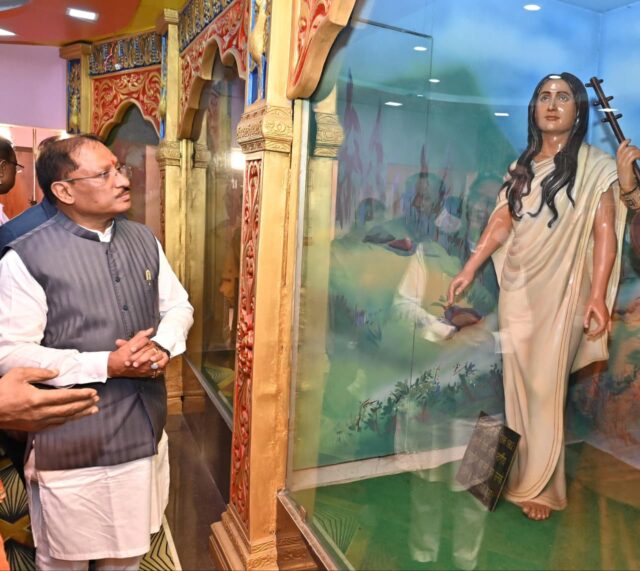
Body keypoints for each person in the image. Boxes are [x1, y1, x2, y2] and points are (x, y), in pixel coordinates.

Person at [447, 72, 640, 521]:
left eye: (563, 97)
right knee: (516, 386)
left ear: (579, 111)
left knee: (545, 386)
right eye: (544, 97)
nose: (552, 105)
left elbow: (605, 233)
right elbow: (502, 221)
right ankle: (514, 476)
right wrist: (470, 266)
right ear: (534, 108)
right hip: (519, 290)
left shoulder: (595, 166)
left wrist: (597, 295)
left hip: (566, 294)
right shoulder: (521, 166)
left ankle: (543, 487)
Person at [0, 134, 193, 569]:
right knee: (64, 558)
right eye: (104, 174)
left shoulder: (143, 239)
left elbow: (178, 305)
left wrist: (161, 345)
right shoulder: (26, 255)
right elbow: (11, 353)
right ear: (64, 190)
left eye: (119, 169)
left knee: (130, 554)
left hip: (144, 429)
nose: (122, 180)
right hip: (75, 441)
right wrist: (106, 364)